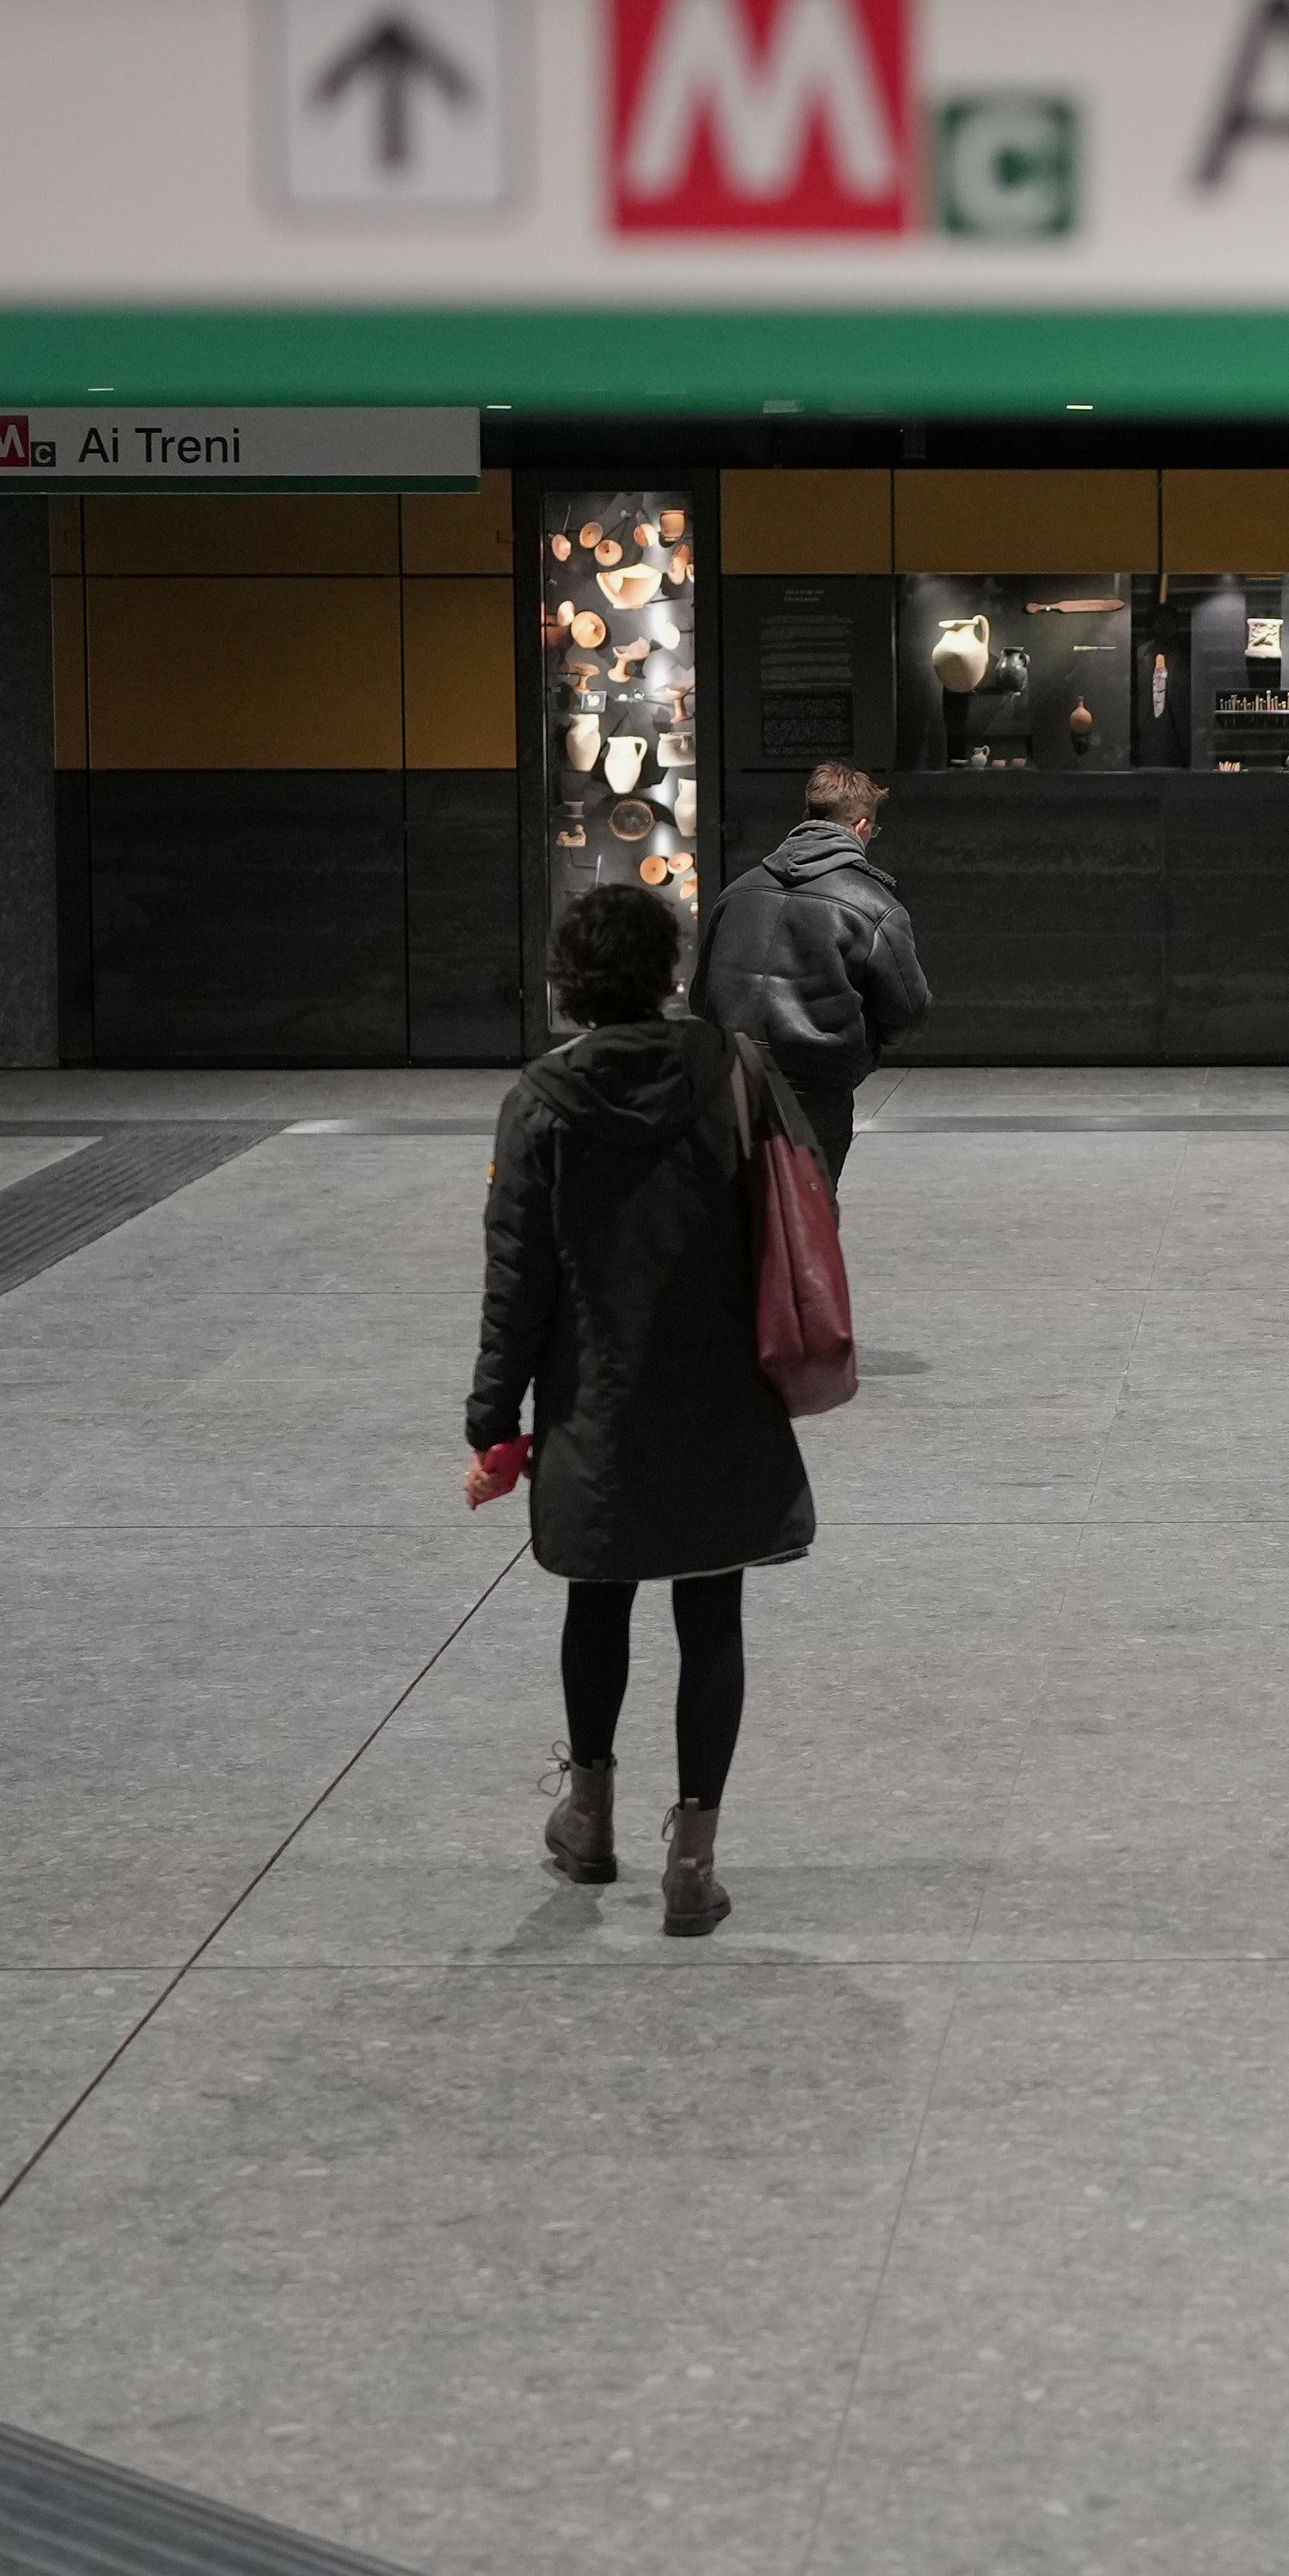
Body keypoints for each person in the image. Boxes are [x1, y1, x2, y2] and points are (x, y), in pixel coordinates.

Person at [465, 882, 815, 1938]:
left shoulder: (542, 1099)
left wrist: (493, 1421)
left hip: (598, 1396)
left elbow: (517, 1279)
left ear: (569, 981)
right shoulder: (734, 1069)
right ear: (668, 972)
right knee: (712, 1613)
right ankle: (692, 1866)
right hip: (719, 1384)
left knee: (598, 1599)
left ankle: (589, 1819)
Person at [693, 761, 930, 1177]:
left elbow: (701, 996)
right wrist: (863, 1052)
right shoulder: (874, 905)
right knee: (810, 1204)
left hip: (730, 1076)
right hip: (815, 1086)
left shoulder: (738, 890)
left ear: (809, 816)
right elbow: (908, 1013)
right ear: (861, 826)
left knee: (734, 1203)